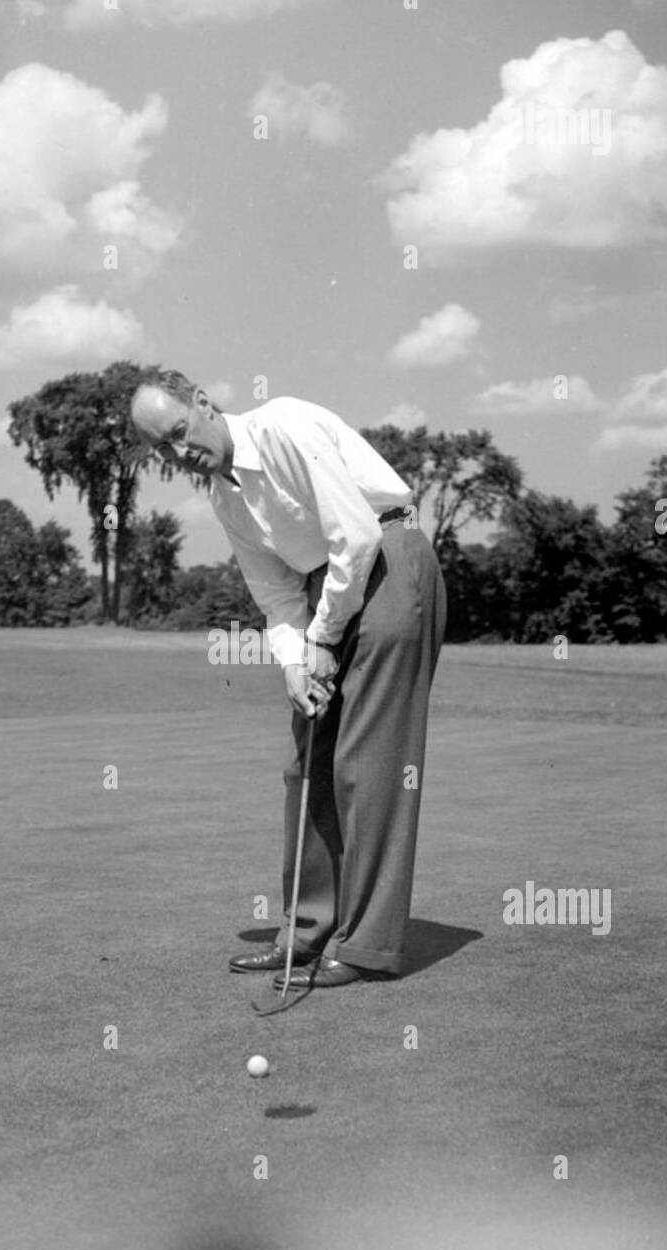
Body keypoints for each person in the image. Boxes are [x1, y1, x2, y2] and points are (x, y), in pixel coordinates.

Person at [130, 370, 447, 990]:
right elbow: (275, 595)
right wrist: (297, 663)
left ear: (202, 403)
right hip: (322, 587)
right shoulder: (224, 497)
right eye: (162, 450)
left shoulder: (283, 427)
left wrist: (323, 639)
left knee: (368, 760)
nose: (179, 452)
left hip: (388, 558)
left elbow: (354, 536)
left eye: (178, 433)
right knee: (308, 762)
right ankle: (307, 932)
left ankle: (367, 945)